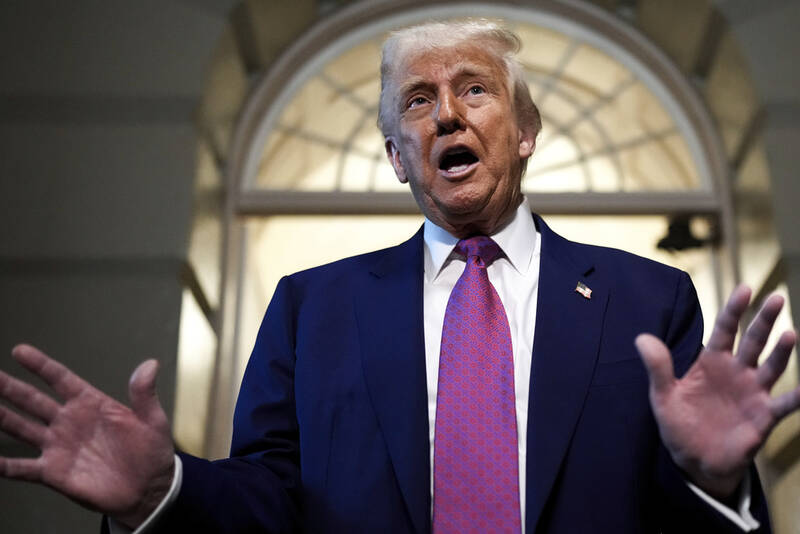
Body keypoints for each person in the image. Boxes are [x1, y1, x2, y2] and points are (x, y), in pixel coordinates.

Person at [0, 20, 797, 534]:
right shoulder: (314, 310)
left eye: (474, 89)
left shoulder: (647, 301)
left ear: (523, 133)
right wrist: (163, 491)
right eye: (417, 101)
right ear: (396, 156)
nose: (447, 114)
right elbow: (270, 503)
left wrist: (717, 483)